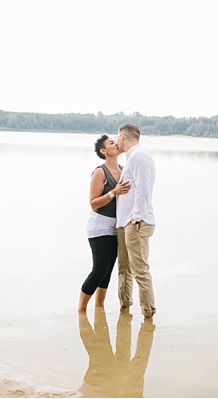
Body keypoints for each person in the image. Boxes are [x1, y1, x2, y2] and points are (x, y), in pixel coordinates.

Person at [78, 134, 130, 312]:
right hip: (99, 226)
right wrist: (113, 192)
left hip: (116, 227)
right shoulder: (100, 172)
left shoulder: (124, 169)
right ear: (103, 151)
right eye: (111, 143)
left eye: (115, 141)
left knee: (108, 271)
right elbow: (93, 203)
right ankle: (81, 310)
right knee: (99, 269)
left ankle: (99, 308)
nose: (116, 144)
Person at [115, 124, 157, 321]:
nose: (116, 140)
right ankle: (125, 309)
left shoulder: (139, 156)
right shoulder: (131, 157)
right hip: (125, 222)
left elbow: (143, 189)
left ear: (123, 136)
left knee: (139, 270)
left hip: (135, 222)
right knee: (124, 268)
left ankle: (148, 314)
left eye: (117, 137)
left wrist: (137, 217)